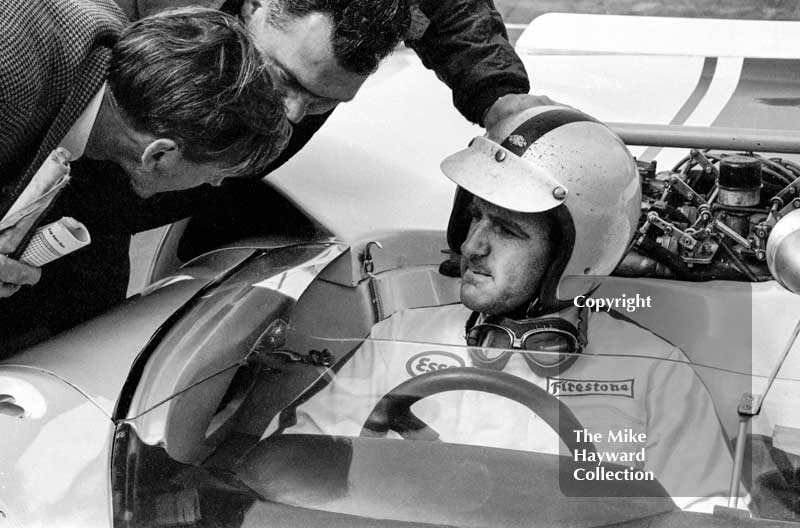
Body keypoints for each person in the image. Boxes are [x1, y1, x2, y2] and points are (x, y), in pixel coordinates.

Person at [268, 107, 741, 512]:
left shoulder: (654, 371)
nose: (473, 246)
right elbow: (296, 469)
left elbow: (708, 514)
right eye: (475, 216)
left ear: (575, 256)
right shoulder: (398, 338)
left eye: (508, 231)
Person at [112, 0, 555, 266]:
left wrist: (498, 94)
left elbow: (448, 9)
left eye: (323, 98)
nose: (290, 112)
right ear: (254, 6)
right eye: (284, 78)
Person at [0, 1, 288, 353]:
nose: (214, 185)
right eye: (217, 174)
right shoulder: (12, 77)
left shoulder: (101, 48)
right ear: (160, 154)